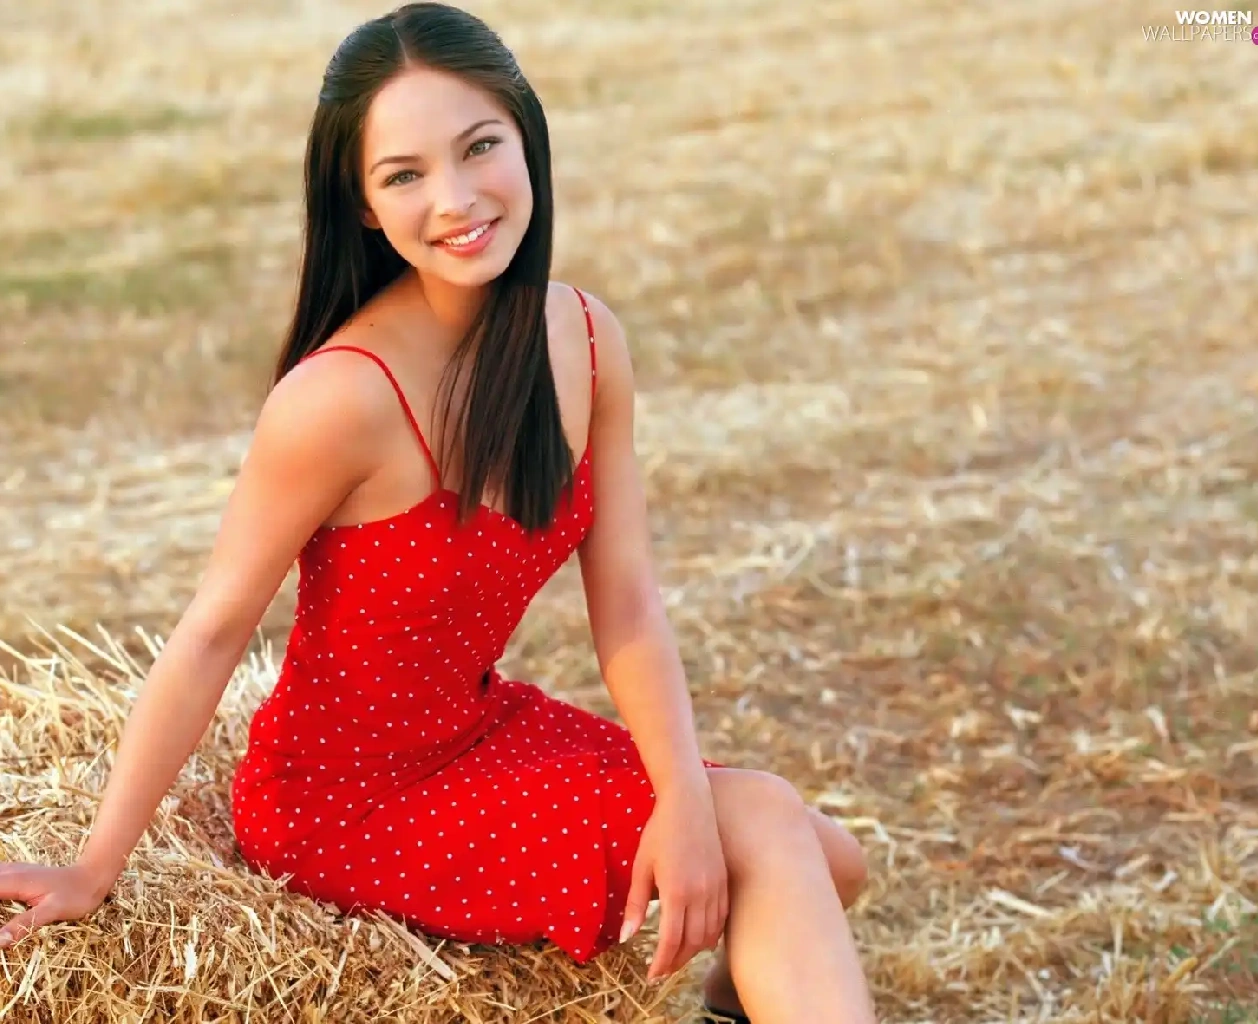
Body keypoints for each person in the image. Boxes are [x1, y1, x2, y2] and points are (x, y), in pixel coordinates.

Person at [0, 5, 878, 1022]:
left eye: (479, 147)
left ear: (527, 137)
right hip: (344, 802)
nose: (456, 199)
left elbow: (630, 604)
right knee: (767, 827)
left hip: (477, 728)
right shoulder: (339, 400)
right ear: (365, 207)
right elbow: (211, 633)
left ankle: (740, 1003)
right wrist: (94, 866)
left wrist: (682, 799)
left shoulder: (586, 339)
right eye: (404, 174)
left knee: (830, 860)